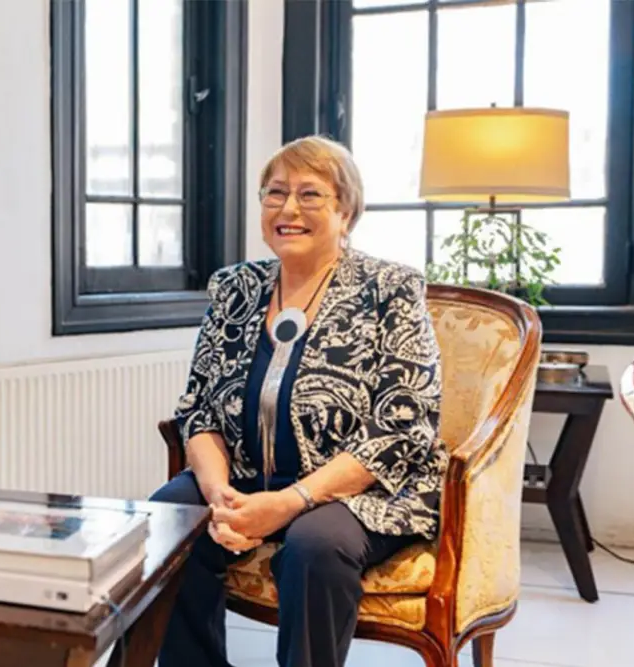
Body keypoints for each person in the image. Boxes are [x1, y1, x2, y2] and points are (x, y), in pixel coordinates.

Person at [149, 135, 447, 667]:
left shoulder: (390, 289)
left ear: (346, 211)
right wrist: (219, 495)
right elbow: (199, 409)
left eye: (310, 195)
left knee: (315, 544)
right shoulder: (234, 288)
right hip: (243, 476)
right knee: (172, 515)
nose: (288, 209)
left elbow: (401, 427)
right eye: (275, 193)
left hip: (356, 492)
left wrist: (289, 502)